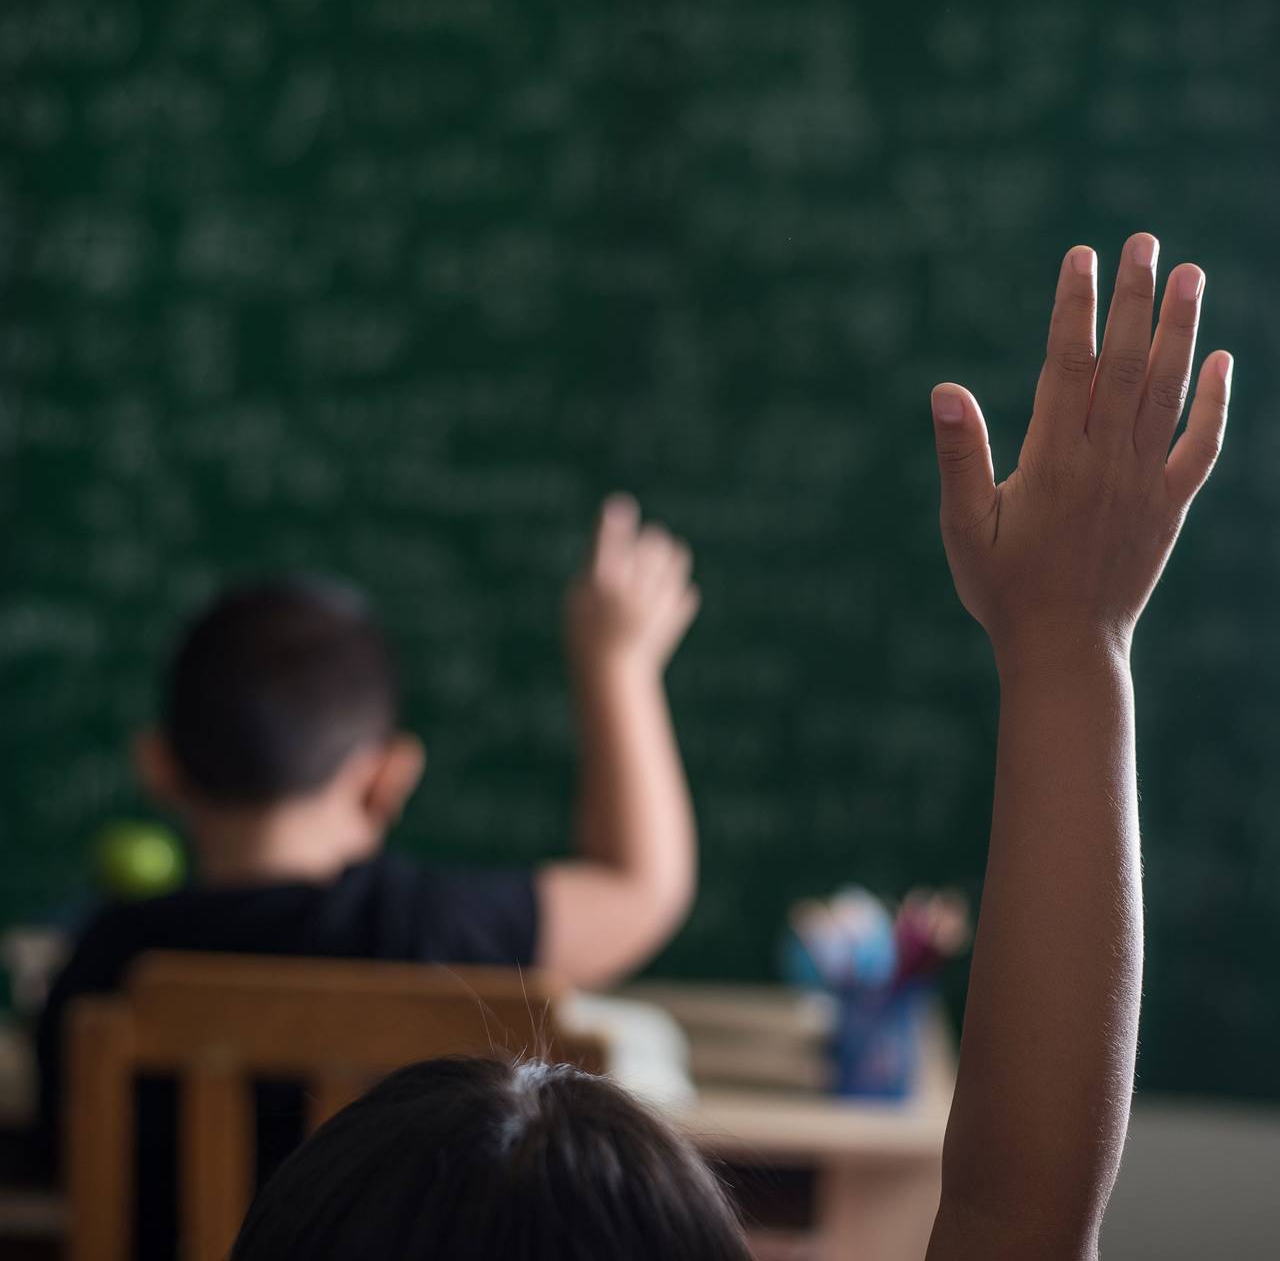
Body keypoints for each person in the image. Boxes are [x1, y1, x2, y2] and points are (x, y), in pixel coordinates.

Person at [227, 233, 1232, 1261]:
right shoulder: (409, 924)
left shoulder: (99, 960)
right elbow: (1015, 1214)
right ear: (386, 771)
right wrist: (1071, 639)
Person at [36, 495, 701, 1259]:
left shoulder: (103, 964)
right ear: (385, 780)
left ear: (159, 766)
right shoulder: (425, 931)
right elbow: (639, 889)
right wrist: (616, 664)